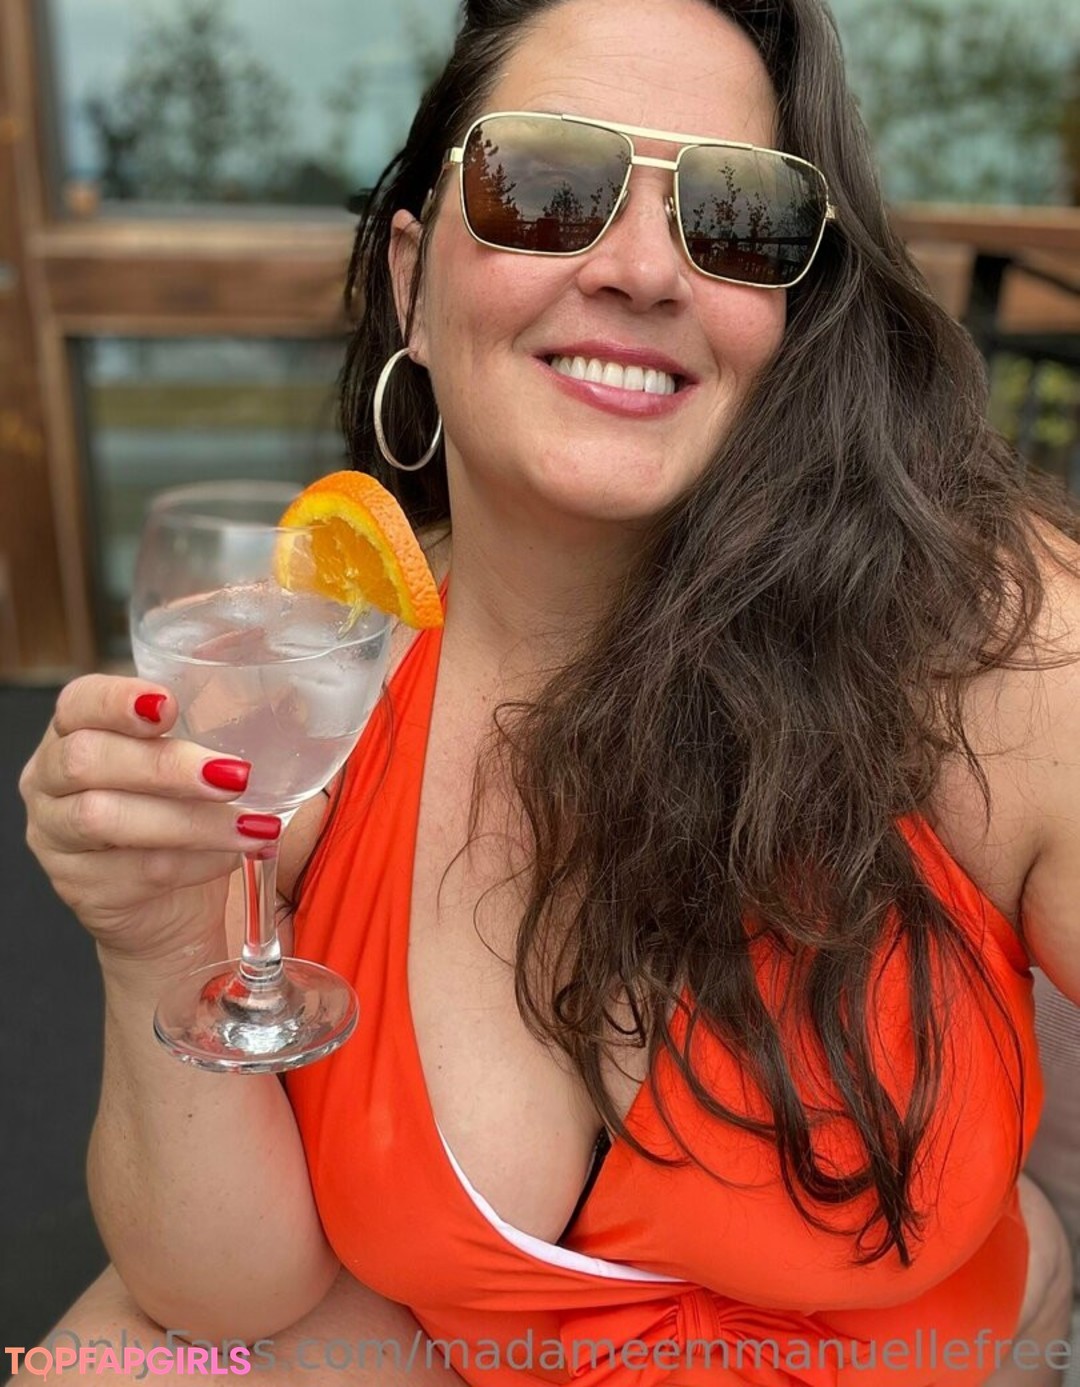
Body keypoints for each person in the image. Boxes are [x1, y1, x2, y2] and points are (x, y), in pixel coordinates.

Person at [15, 0, 1079, 1382]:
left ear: (791, 309)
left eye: (735, 215)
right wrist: (155, 943)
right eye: (547, 189)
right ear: (412, 282)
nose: (642, 270)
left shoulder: (992, 646)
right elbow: (220, 1293)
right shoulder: (322, 675)